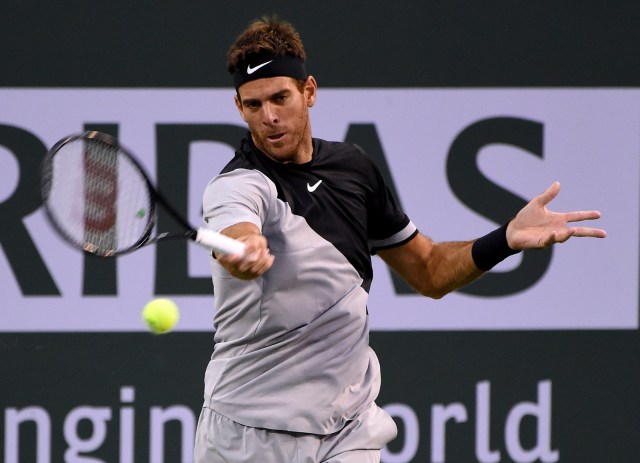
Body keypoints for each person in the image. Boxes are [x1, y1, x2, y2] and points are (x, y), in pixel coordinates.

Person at [193, 15, 606, 463]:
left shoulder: (353, 169)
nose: (269, 116)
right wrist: (243, 249)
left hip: (347, 430)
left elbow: (428, 271)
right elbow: (235, 232)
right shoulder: (237, 185)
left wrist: (505, 238)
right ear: (239, 107)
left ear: (309, 91)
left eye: (280, 98)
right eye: (253, 105)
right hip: (247, 434)